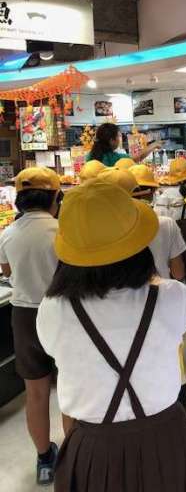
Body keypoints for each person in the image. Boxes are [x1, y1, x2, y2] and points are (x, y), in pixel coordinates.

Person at [36, 179, 186, 492]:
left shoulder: (53, 308)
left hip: (93, 446)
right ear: (138, 242)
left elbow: (57, 354)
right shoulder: (173, 296)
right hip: (166, 437)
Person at [130, 163, 186, 443]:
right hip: (160, 303)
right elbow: (178, 272)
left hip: (123, 307)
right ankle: (182, 427)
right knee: (173, 370)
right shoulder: (164, 224)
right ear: (152, 191)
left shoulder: (109, 229)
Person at [0, 167, 62, 486]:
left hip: (24, 316)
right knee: (70, 386)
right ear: (55, 197)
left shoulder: (8, 233)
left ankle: (44, 459)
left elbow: (7, 271)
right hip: (62, 312)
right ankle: (74, 452)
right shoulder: (62, 231)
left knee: (35, 393)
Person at [157, 158, 186, 332]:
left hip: (165, 243)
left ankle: (172, 318)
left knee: (169, 281)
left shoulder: (163, 197)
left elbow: (157, 220)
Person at [87, 123, 161, 167]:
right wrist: (154, 145)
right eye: (118, 136)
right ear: (112, 140)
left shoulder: (89, 156)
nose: (119, 139)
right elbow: (138, 157)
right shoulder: (114, 158)